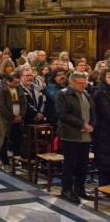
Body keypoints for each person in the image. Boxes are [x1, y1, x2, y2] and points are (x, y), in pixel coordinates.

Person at [56, 72, 95, 204]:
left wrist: (91, 126)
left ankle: (80, 188)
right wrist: (82, 124)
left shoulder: (86, 94)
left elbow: (92, 112)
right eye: (80, 83)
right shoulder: (63, 94)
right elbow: (63, 114)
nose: (84, 86)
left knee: (83, 164)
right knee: (70, 164)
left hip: (85, 135)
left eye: (85, 83)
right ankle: (66, 189)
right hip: (71, 135)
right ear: (72, 82)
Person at [0, 73, 27, 172]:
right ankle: (5, 162)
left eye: (18, 82)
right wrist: (12, 117)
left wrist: (21, 115)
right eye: (15, 83)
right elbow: (0, 106)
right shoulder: (0, 89)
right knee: (3, 141)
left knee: (18, 139)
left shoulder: (19, 87)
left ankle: (16, 159)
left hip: (18, 119)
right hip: (5, 120)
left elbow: (24, 102)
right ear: (8, 81)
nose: (18, 84)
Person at [91, 68, 110, 186]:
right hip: (103, 131)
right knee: (105, 161)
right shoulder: (99, 91)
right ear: (103, 77)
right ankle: (104, 187)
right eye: (109, 76)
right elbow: (106, 113)